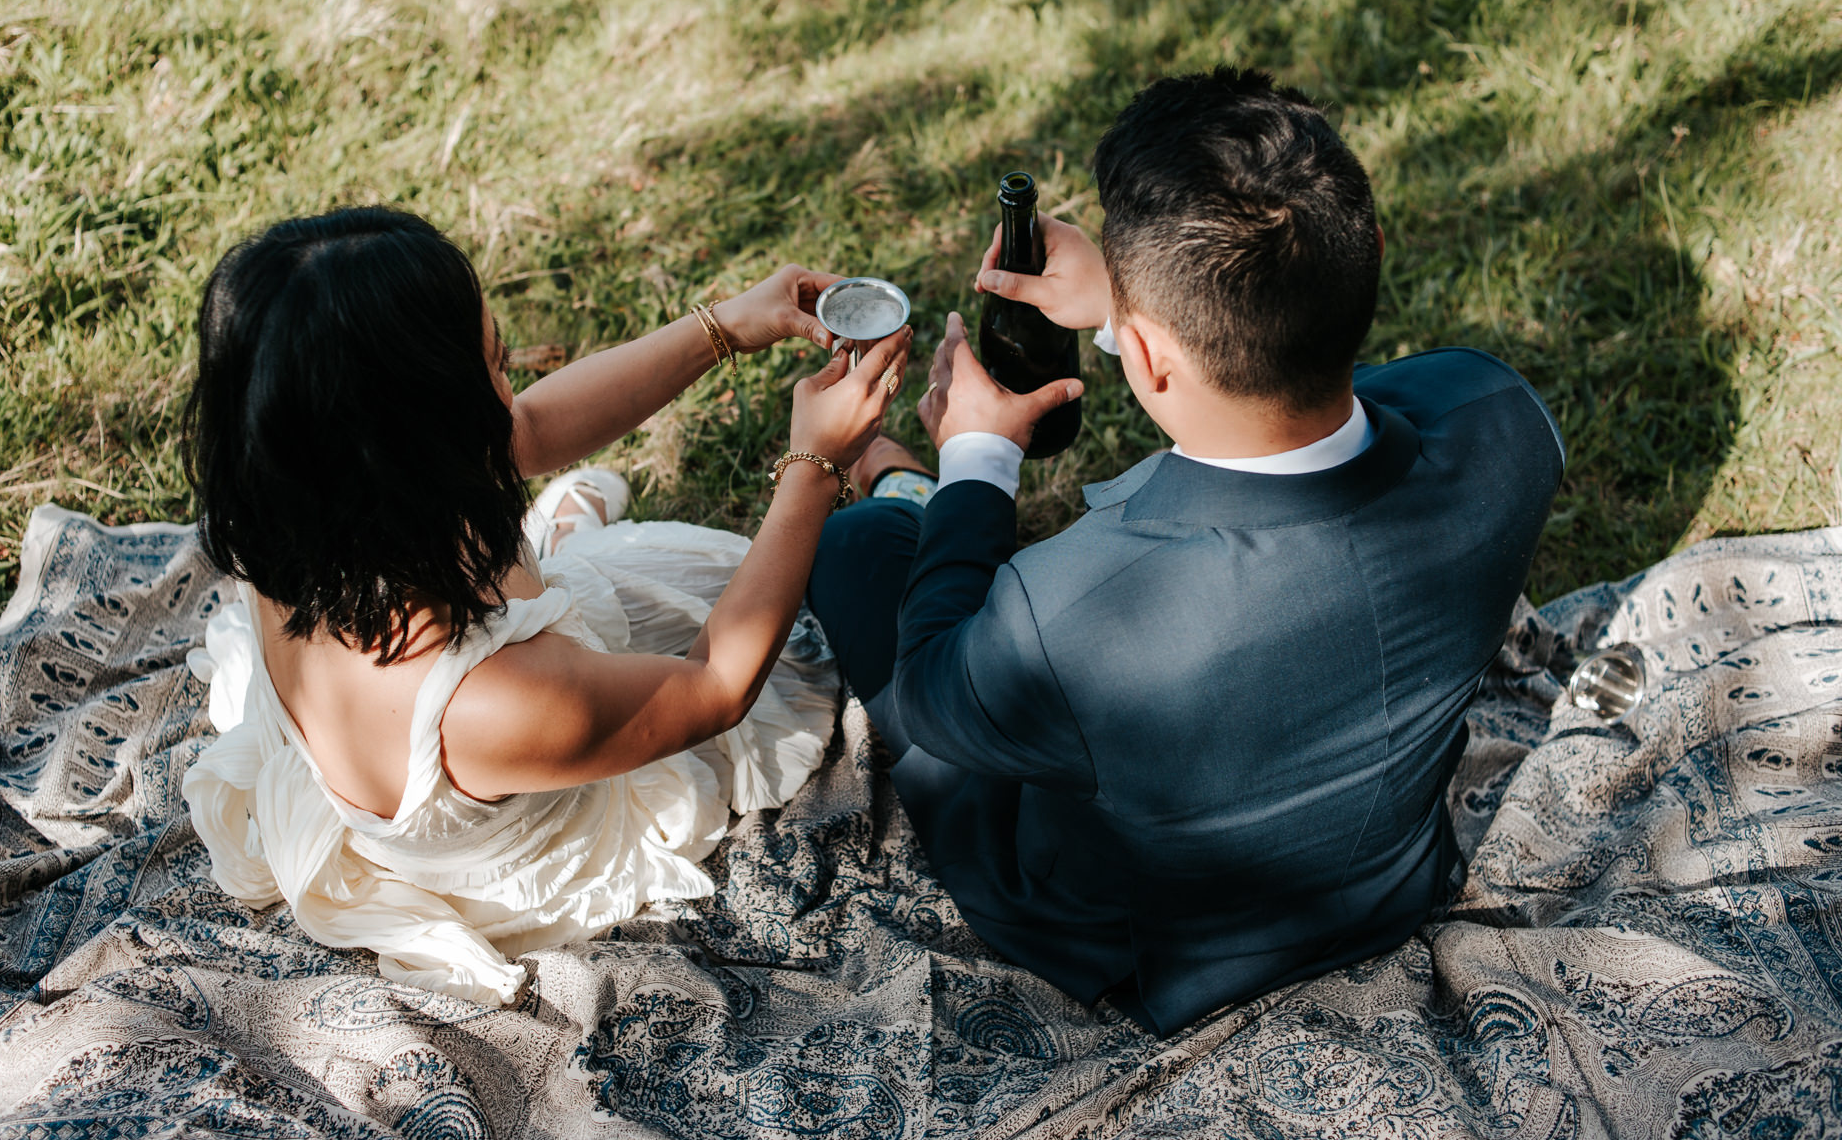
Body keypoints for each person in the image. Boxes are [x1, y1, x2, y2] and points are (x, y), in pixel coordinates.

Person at [806, 68, 1565, 1038]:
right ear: (1371, 248)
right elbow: (1299, 373)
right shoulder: (1500, 420)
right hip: (1392, 880)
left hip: (1136, 943)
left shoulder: (1070, 613)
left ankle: (904, 486)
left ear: (1150, 359)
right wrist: (1129, 311)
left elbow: (926, 693)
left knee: (867, 543)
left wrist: (976, 457)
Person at [178, 207, 908, 1007]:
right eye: (494, 370)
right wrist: (814, 465)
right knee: (788, 603)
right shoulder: (491, 701)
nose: (510, 390)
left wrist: (726, 325)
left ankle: (562, 533)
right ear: (427, 442)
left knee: (603, 563)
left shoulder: (297, 515)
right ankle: (890, 488)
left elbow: (524, 429)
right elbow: (715, 686)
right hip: (553, 790)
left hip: (504, 699)